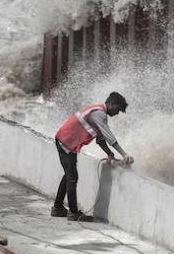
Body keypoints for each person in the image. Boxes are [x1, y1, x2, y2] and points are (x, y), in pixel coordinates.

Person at [51, 92, 134, 222]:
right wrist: (124, 154)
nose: (117, 113)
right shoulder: (99, 114)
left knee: (69, 176)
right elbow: (108, 136)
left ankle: (58, 208)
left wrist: (110, 154)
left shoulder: (97, 112)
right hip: (66, 142)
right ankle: (73, 213)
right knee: (72, 178)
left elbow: (100, 140)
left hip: (65, 141)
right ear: (111, 104)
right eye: (117, 109)